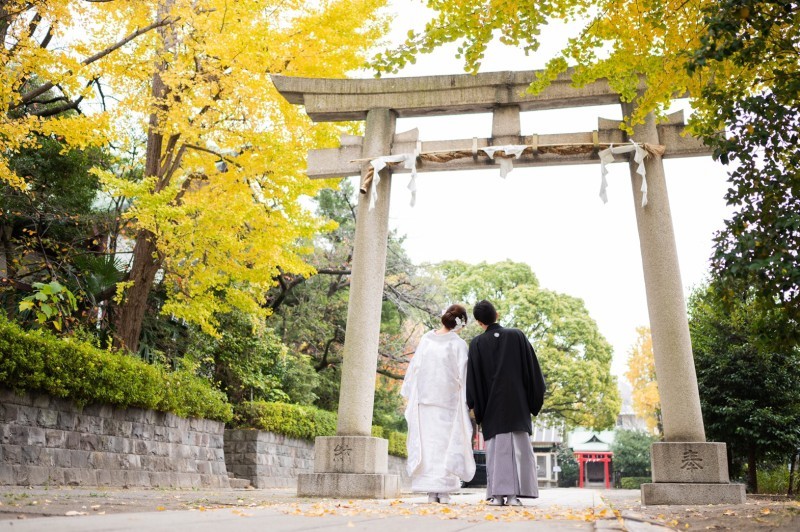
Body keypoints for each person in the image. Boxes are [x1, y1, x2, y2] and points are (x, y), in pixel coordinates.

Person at [466, 300, 546, 506]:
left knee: (496, 452)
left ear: (478, 322)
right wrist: (533, 401)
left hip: (492, 408)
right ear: (497, 314)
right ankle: (514, 496)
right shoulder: (517, 336)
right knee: (519, 451)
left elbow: (473, 380)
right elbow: (533, 372)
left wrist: (476, 406)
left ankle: (498, 495)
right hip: (517, 406)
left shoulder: (476, 343)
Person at [402, 304, 476, 503]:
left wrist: (409, 391)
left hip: (425, 399)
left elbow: (415, 367)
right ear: (460, 323)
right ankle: (442, 490)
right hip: (447, 400)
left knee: (428, 444)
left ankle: (431, 490)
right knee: (445, 443)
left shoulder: (427, 338)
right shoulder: (458, 344)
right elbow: (464, 374)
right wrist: (469, 399)